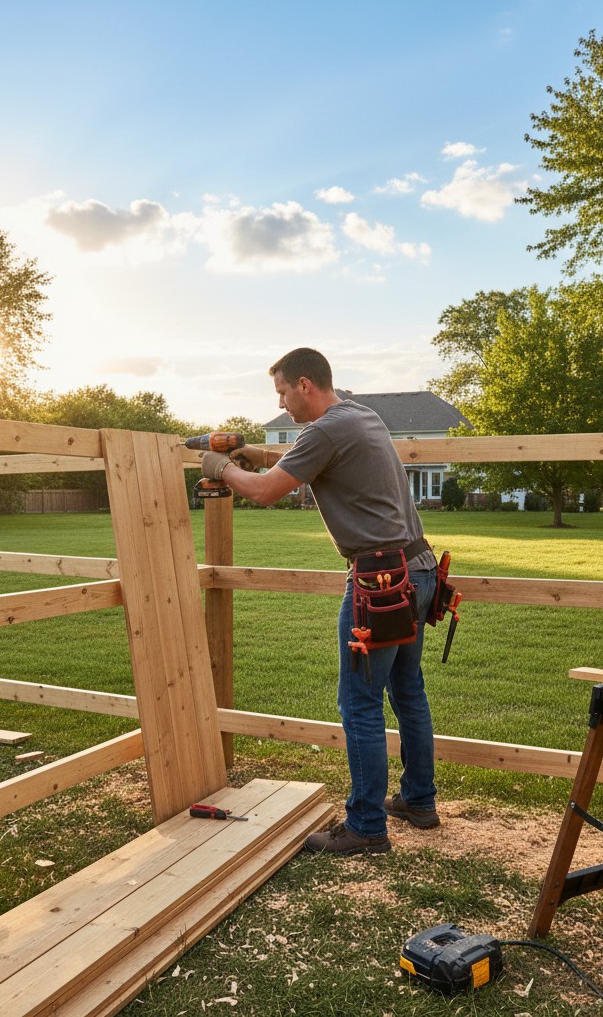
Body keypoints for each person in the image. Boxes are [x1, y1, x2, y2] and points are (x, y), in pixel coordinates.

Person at [200, 347, 440, 856]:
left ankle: (366, 828)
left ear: (305, 384)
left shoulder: (325, 430)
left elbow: (265, 492)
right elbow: (299, 463)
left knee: (359, 703)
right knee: (408, 692)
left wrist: (220, 467)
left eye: (283, 393)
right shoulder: (360, 415)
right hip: (418, 573)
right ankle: (419, 802)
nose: (282, 405)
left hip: (378, 582)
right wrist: (259, 454)